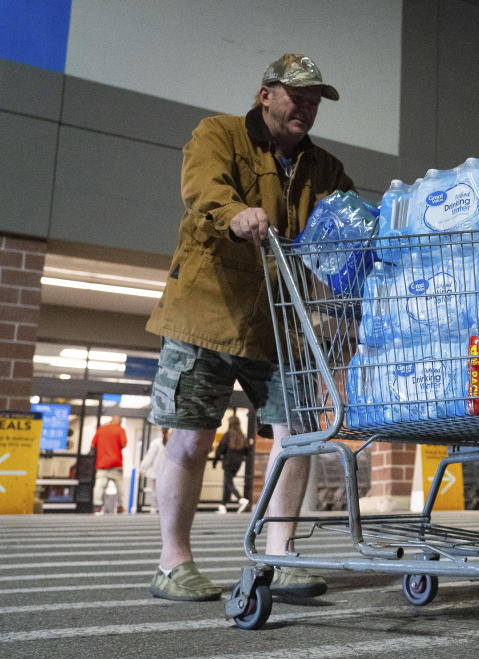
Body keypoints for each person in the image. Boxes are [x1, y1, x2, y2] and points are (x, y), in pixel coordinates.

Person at [145, 53, 354, 602]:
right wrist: (233, 210)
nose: (306, 109)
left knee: (297, 438)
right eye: (297, 97)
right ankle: (173, 561)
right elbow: (203, 189)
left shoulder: (324, 169)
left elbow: (347, 225)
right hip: (207, 315)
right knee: (190, 441)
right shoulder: (217, 135)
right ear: (266, 94)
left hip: (279, 326)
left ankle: (280, 555)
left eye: (314, 102)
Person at [212, 416, 251, 513]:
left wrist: (215, 461)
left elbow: (220, 450)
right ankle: (223, 506)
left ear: (230, 424)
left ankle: (241, 499)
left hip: (228, 462)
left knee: (229, 482)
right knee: (227, 483)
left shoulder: (228, 435)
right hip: (237, 464)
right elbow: (247, 451)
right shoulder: (242, 436)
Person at [91, 416, 128, 514]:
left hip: (102, 464)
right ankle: (120, 507)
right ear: (119, 422)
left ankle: (97, 507)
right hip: (116, 463)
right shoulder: (120, 430)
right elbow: (124, 444)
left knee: (99, 486)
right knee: (120, 487)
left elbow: (93, 445)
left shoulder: (101, 429)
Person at [139, 427, 169, 513]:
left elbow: (149, 457)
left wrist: (142, 468)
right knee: (158, 492)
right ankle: (156, 509)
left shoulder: (159, 443)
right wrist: (143, 468)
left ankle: (156, 509)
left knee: (158, 492)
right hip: (159, 473)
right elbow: (150, 457)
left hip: (163, 473)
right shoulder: (157, 443)